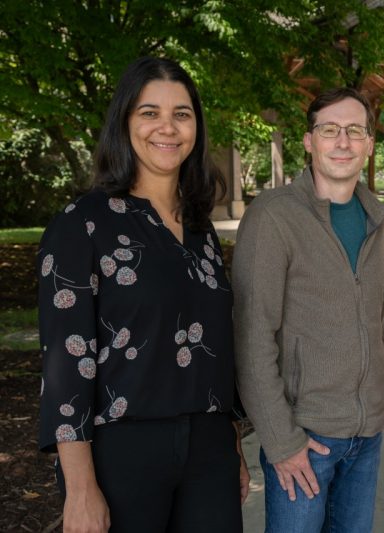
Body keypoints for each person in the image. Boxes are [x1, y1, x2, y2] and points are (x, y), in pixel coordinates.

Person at [37, 57, 249, 533]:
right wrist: (80, 488)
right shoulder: (81, 224)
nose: (167, 128)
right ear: (124, 122)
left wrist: (232, 446)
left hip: (209, 451)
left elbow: (218, 348)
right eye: (149, 112)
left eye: (182, 114)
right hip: (122, 452)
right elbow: (66, 364)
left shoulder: (201, 230)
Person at [233, 87, 384, 533]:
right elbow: (251, 335)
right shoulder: (273, 216)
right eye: (330, 129)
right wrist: (281, 441)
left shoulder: (375, 216)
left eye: (355, 130)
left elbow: (374, 319)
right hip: (304, 437)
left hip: (366, 434)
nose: (343, 141)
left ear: (369, 145)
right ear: (308, 141)